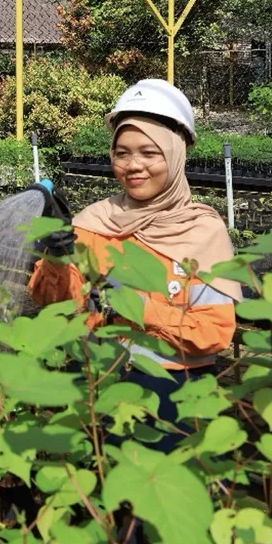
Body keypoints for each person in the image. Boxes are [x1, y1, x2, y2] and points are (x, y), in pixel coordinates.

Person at [28, 78, 239, 453]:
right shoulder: (95, 221)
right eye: (122, 153)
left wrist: (139, 307)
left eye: (148, 153)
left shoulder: (203, 234)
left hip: (172, 392)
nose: (133, 166)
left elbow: (214, 332)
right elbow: (55, 301)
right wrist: (56, 260)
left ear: (174, 154)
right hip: (94, 379)